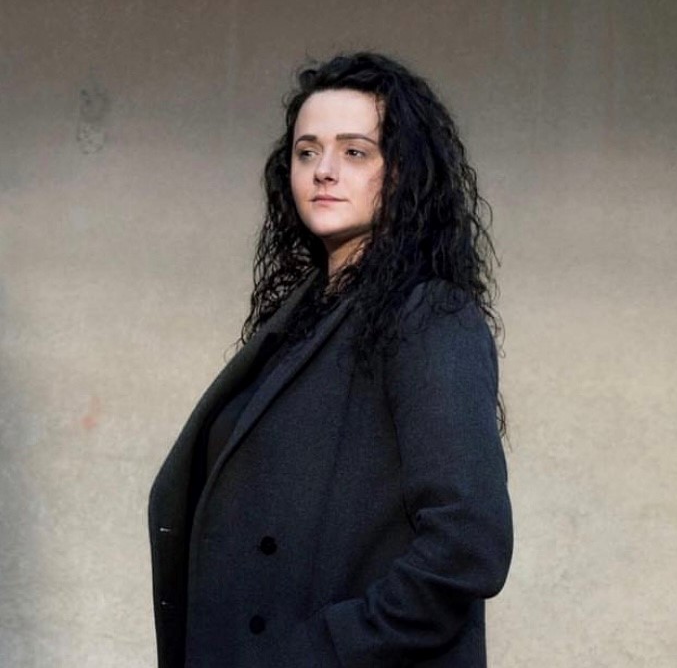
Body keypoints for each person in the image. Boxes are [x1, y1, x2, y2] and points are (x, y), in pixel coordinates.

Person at [148, 52, 513, 668]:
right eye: (307, 151)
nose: (324, 171)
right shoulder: (304, 316)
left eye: (355, 152)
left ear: (405, 172)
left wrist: (322, 650)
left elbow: (467, 545)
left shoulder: (429, 316)